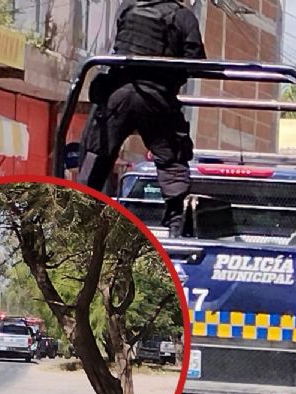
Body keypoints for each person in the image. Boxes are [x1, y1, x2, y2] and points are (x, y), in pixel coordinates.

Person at [77, 0, 206, 237]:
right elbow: (196, 62)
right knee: (171, 161)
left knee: (97, 156)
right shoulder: (183, 17)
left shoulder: (128, 7)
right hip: (157, 99)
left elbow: (121, 45)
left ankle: (79, 220)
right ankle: (175, 226)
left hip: (119, 94)